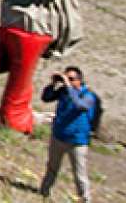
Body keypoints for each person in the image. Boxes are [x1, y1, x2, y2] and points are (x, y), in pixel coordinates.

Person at [40, 65, 96, 202]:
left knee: (79, 174)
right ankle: (44, 192)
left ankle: (85, 198)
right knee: (52, 167)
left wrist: (69, 87)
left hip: (77, 142)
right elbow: (46, 98)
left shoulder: (88, 96)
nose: (68, 81)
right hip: (58, 137)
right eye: (66, 78)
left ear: (79, 81)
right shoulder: (63, 91)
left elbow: (80, 106)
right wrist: (53, 83)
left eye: (71, 79)